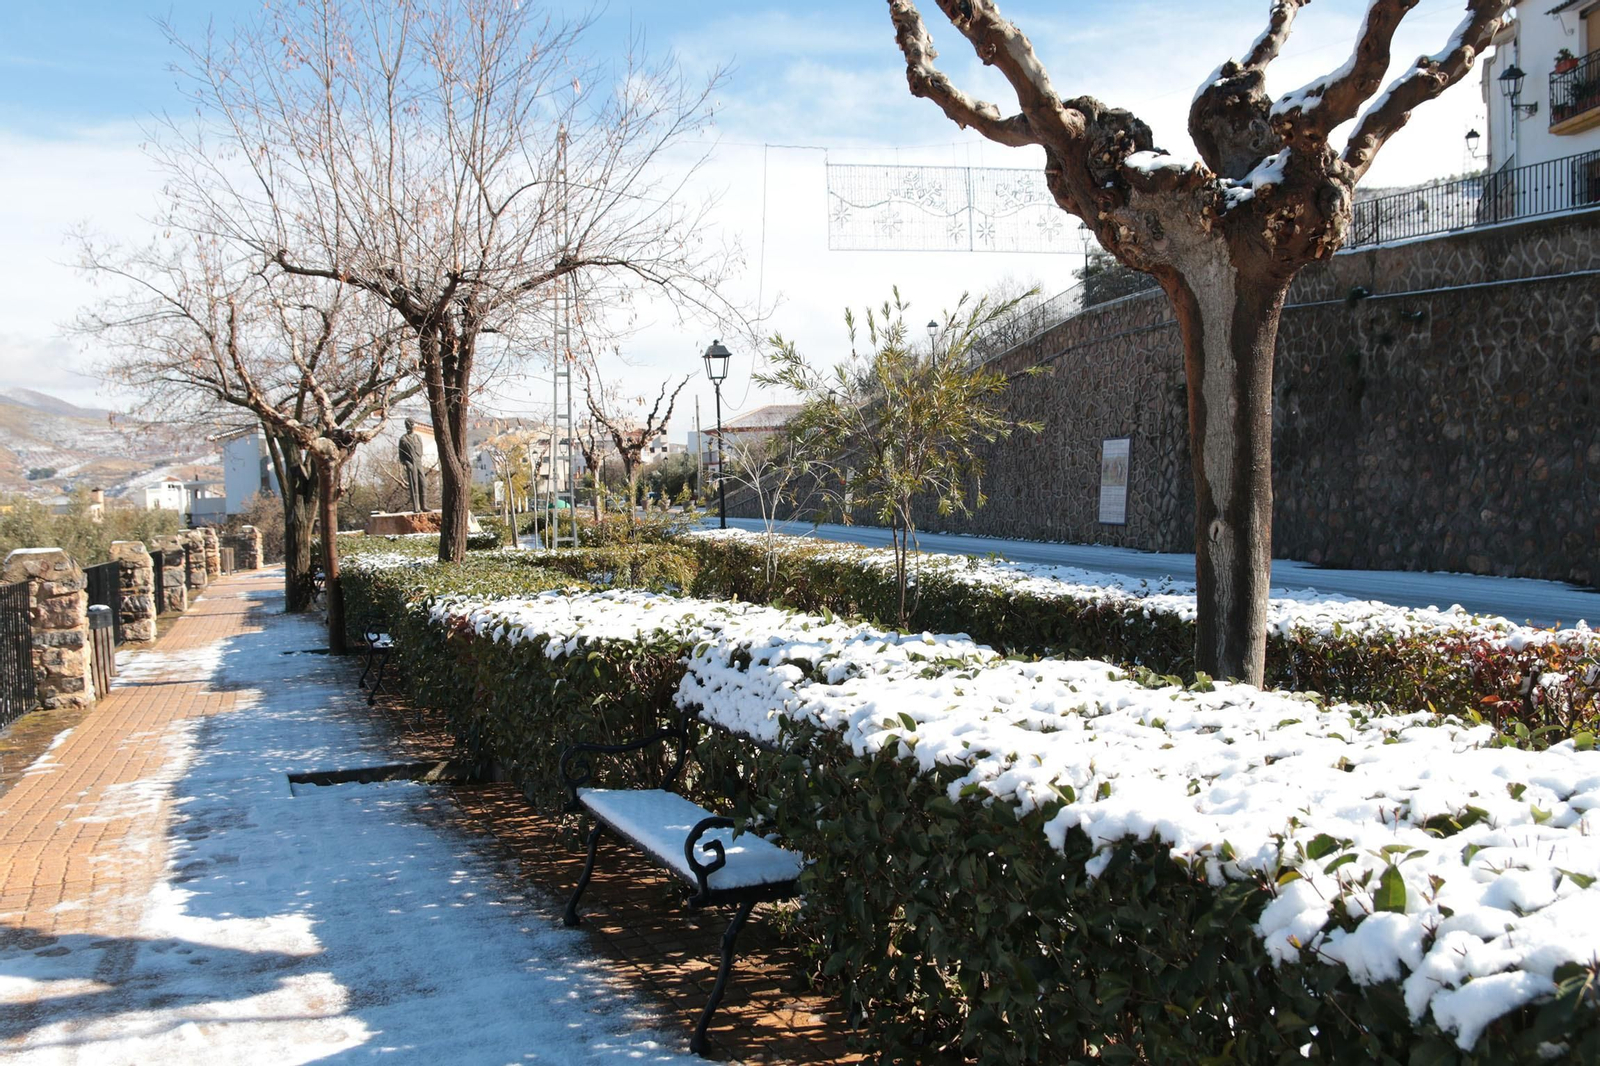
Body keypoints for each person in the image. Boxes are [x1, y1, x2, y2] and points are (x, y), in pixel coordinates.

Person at [398, 418, 428, 512]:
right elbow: (401, 456)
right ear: (406, 425)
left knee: (423, 483)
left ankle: (424, 505)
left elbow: (421, 450)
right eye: (409, 424)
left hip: (418, 462)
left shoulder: (418, 437)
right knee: (414, 484)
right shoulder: (403, 439)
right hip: (410, 463)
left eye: (412, 424)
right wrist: (407, 463)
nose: (411, 426)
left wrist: (418, 458)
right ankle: (416, 507)